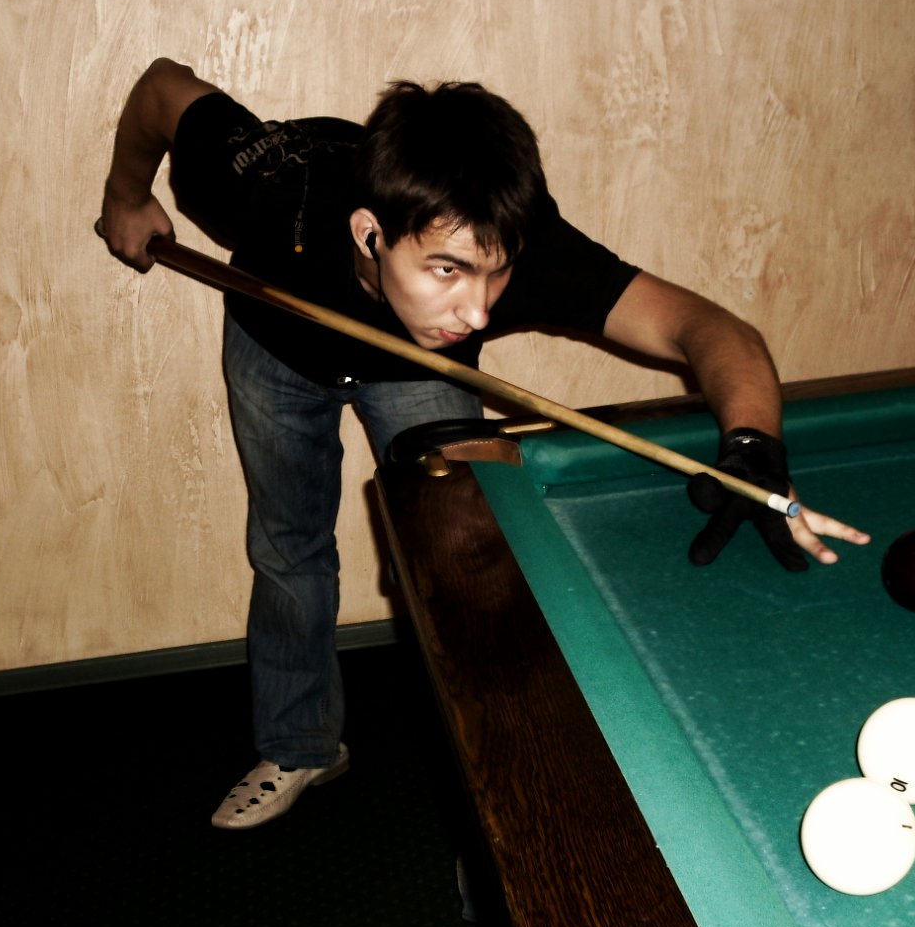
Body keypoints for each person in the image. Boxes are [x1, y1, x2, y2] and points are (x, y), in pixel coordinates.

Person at [99, 58, 870, 830]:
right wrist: (126, 196)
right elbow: (165, 88)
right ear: (370, 234)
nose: (476, 312)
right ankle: (300, 747)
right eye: (448, 271)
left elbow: (709, 329)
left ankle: (499, 800)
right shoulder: (268, 189)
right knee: (288, 545)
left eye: (494, 276)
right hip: (278, 343)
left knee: (463, 564)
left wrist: (752, 440)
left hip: (418, 369)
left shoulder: (516, 245)